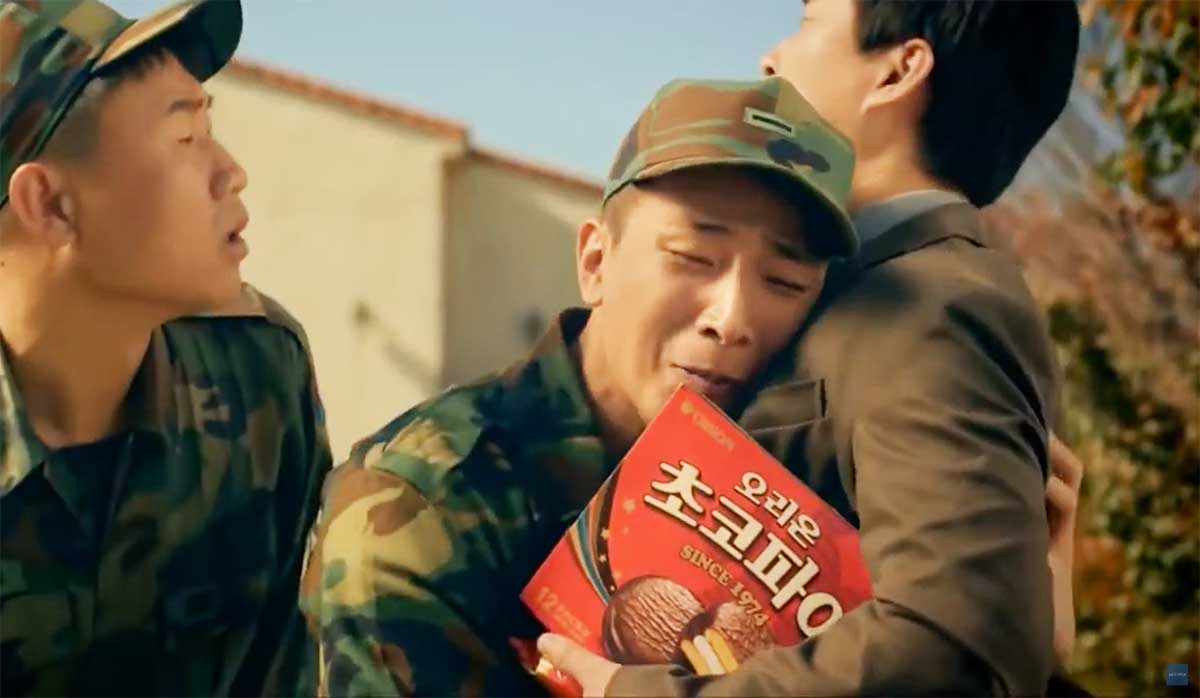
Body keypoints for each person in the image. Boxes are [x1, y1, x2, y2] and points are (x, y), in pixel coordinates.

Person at [537, 1, 1086, 695]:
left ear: (899, 71)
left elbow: (958, 648)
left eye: (809, 23)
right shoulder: (869, 287)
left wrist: (642, 693)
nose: (770, 59)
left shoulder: (938, 309)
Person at [300, 76, 861, 696]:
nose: (731, 320)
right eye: (693, 258)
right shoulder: (417, 507)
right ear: (596, 263)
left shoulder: (816, 505)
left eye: (783, 283)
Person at [0, 0, 330, 694]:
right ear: (52, 206)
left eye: (211, 130)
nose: (231, 172)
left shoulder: (258, 373)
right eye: (185, 138)